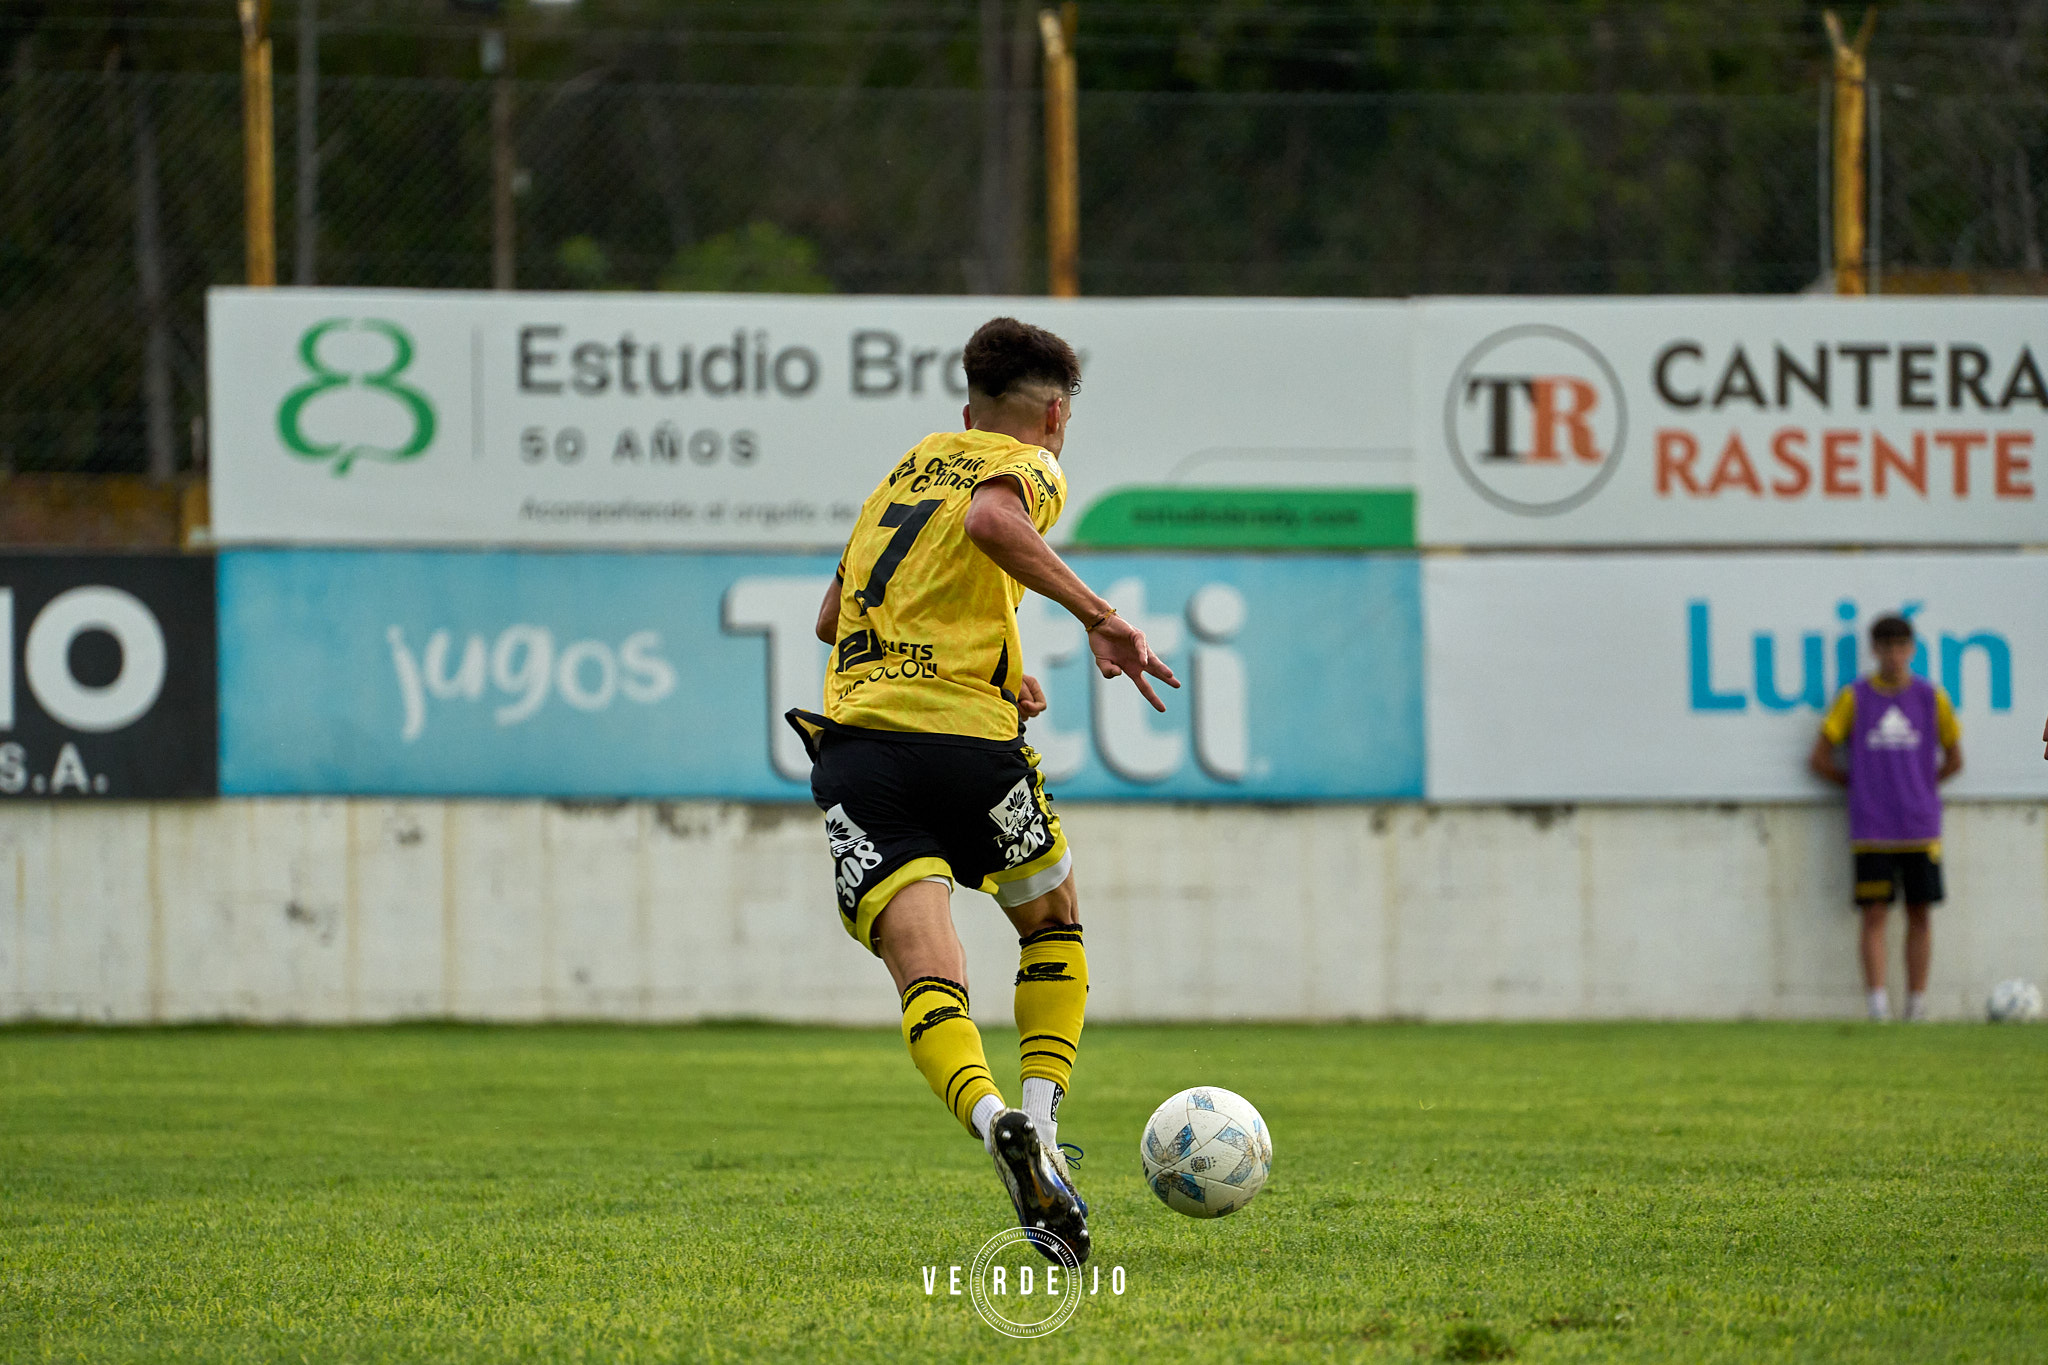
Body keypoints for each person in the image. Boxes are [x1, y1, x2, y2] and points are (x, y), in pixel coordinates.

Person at [785, 317, 1178, 1263]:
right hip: (964, 748)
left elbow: (833, 616)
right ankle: (1039, 1124)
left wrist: (995, 659)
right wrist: (1102, 618)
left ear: (966, 408)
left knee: (926, 967)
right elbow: (992, 522)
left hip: (858, 747)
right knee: (1051, 924)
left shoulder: (908, 467)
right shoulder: (1028, 463)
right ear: (1052, 412)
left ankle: (991, 1114)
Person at [1808, 614, 1963, 1022]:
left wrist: (1920, 789)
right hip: (1873, 829)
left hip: (1919, 828)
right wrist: (1860, 785)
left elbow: (1955, 757)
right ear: (1874, 650)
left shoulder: (1932, 698)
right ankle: (1877, 1005)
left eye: (1901, 647)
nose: (1894, 656)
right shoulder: (1855, 697)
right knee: (1874, 914)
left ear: (1912, 650)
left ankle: (1916, 1004)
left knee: (1920, 913)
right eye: (1886, 647)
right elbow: (1819, 757)